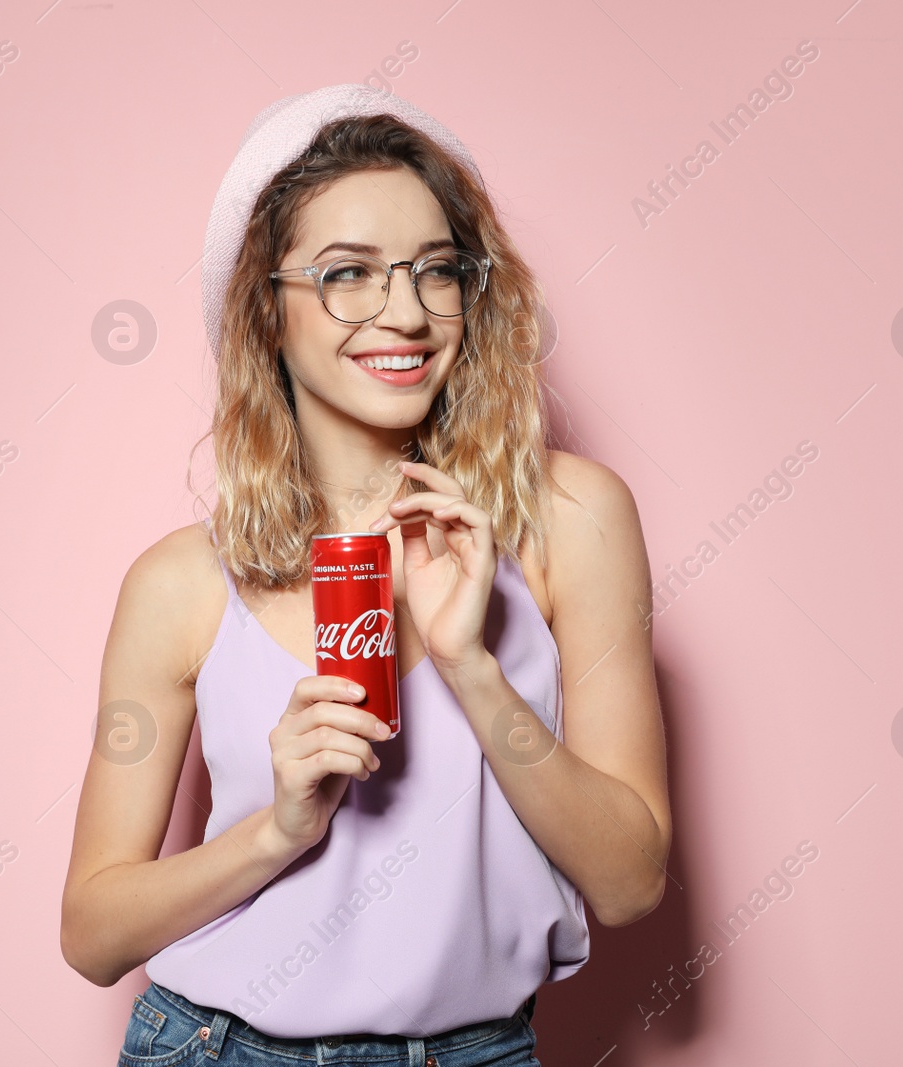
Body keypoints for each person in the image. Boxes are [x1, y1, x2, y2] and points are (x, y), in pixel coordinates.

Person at [63, 83, 672, 1067]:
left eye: (436, 270)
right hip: (217, 1045)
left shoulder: (570, 518)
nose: (406, 311)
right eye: (347, 272)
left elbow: (630, 880)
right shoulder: (179, 584)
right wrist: (279, 829)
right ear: (267, 311)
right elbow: (93, 932)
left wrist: (473, 665)